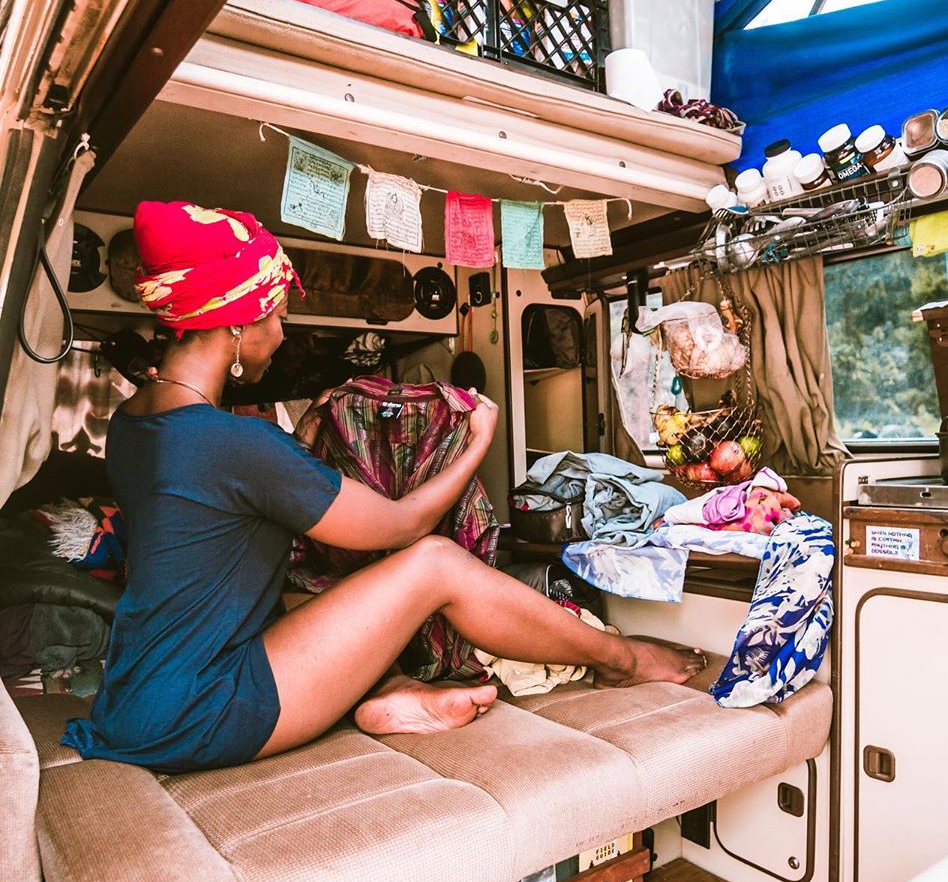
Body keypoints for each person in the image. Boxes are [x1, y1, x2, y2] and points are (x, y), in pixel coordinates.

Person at [61, 201, 704, 775]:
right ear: (236, 323)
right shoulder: (236, 443)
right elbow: (400, 527)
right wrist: (478, 440)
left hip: (141, 690)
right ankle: (622, 661)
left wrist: (302, 443)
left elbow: (213, 525)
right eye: (276, 316)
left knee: (309, 587)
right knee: (431, 566)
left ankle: (391, 691)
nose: (282, 333)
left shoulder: (135, 422)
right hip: (199, 709)